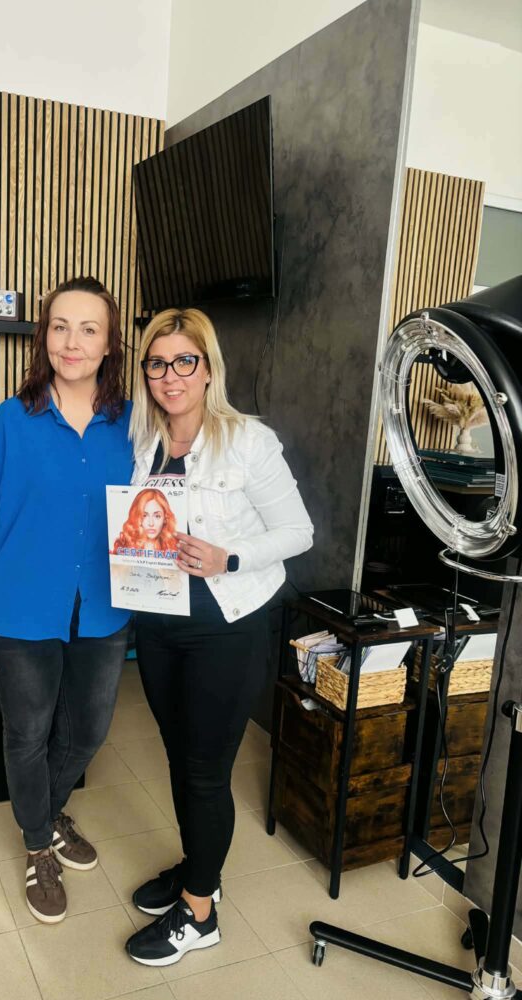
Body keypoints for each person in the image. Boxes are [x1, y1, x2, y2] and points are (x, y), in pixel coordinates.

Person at [123, 308, 313, 966]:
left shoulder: (248, 441)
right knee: (181, 759)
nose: (170, 376)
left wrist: (227, 557)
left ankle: (199, 913)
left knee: (205, 772)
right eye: (157, 363)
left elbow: (299, 533)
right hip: (158, 627)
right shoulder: (141, 441)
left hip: (225, 630)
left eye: (186, 361)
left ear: (208, 370)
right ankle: (197, 868)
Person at [0, 276, 133, 925]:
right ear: (44, 337)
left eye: (88, 329)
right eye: (60, 327)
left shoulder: (132, 425)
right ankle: (37, 845)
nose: (72, 342)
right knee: (27, 734)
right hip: (20, 609)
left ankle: (49, 812)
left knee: (87, 731)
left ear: (110, 344)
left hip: (103, 609)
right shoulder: (12, 420)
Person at [112, 487, 179, 555]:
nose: (151, 523)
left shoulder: (175, 549)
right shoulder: (122, 548)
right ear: (136, 517)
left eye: (157, 516)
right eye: (144, 516)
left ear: (165, 518)